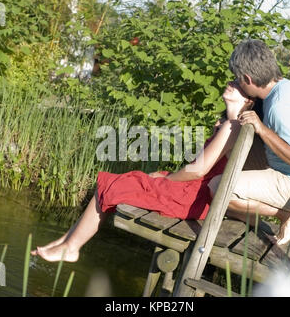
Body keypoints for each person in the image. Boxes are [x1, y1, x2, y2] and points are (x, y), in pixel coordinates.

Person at [31, 81, 257, 262]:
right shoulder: (228, 124)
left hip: (192, 196)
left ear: (248, 99)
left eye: (237, 84)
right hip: (195, 192)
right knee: (129, 179)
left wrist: (169, 181)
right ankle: (68, 240)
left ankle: (71, 248)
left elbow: (199, 172)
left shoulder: (232, 126)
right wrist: (168, 177)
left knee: (113, 183)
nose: (230, 82)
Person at [208, 39, 290, 245]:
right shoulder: (283, 88)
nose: (236, 83)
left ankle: (287, 215)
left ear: (248, 78)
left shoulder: (280, 107)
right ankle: (249, 215)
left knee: (217, 187)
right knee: (233, 149)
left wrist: (262, 129)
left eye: (238, 79)